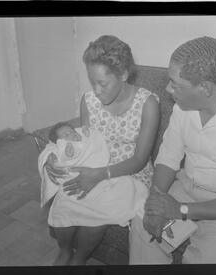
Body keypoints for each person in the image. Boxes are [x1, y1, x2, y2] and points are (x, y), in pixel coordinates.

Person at [44, 35, 160, 265]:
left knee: (97, 214)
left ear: (124, 75)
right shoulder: (88, 100)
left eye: (103, 84)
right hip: (93, 163)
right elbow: (80, 141)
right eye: (92, 82)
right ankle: (65, 250)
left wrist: (99, 175)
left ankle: (79, 258)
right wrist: (51, 157)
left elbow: (139, 159)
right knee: (64, 200)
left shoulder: (148, 104)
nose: (96, 91)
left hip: (129, 173)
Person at [129, 36, 216, 264]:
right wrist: (156, 202)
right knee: (142, 227)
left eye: (175, 84)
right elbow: (169, 154)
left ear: (205, 88)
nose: (168, 89)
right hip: (186, 186)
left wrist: (180, 210)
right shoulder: (184, 106)